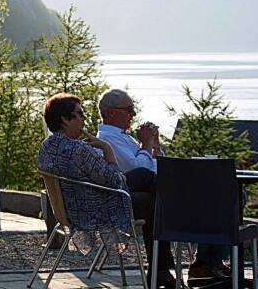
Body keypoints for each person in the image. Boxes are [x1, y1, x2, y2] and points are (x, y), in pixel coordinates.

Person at [97, 88, 229, 280]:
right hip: (127, 194)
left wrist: (155, 145)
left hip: (150, 191)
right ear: (112, 112)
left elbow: (157, 168)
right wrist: (145, 145)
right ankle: (205, 262)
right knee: (215, 196)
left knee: (225, 195)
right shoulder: (108, 139)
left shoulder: (125, 137)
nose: (133, 114)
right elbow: (136, 172)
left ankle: (206, 262)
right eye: (129, 109)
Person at [37, 93, 132, 257]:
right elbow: (116, 180)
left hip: (69, 210)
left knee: (146, 182)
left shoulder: (47, 147)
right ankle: (159, 268)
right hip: (94, 211)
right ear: (65, 119)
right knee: (152, 200)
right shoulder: (77, 149)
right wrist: (107, 149)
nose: (85, 119)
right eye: (80, 113)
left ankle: (160, 270)